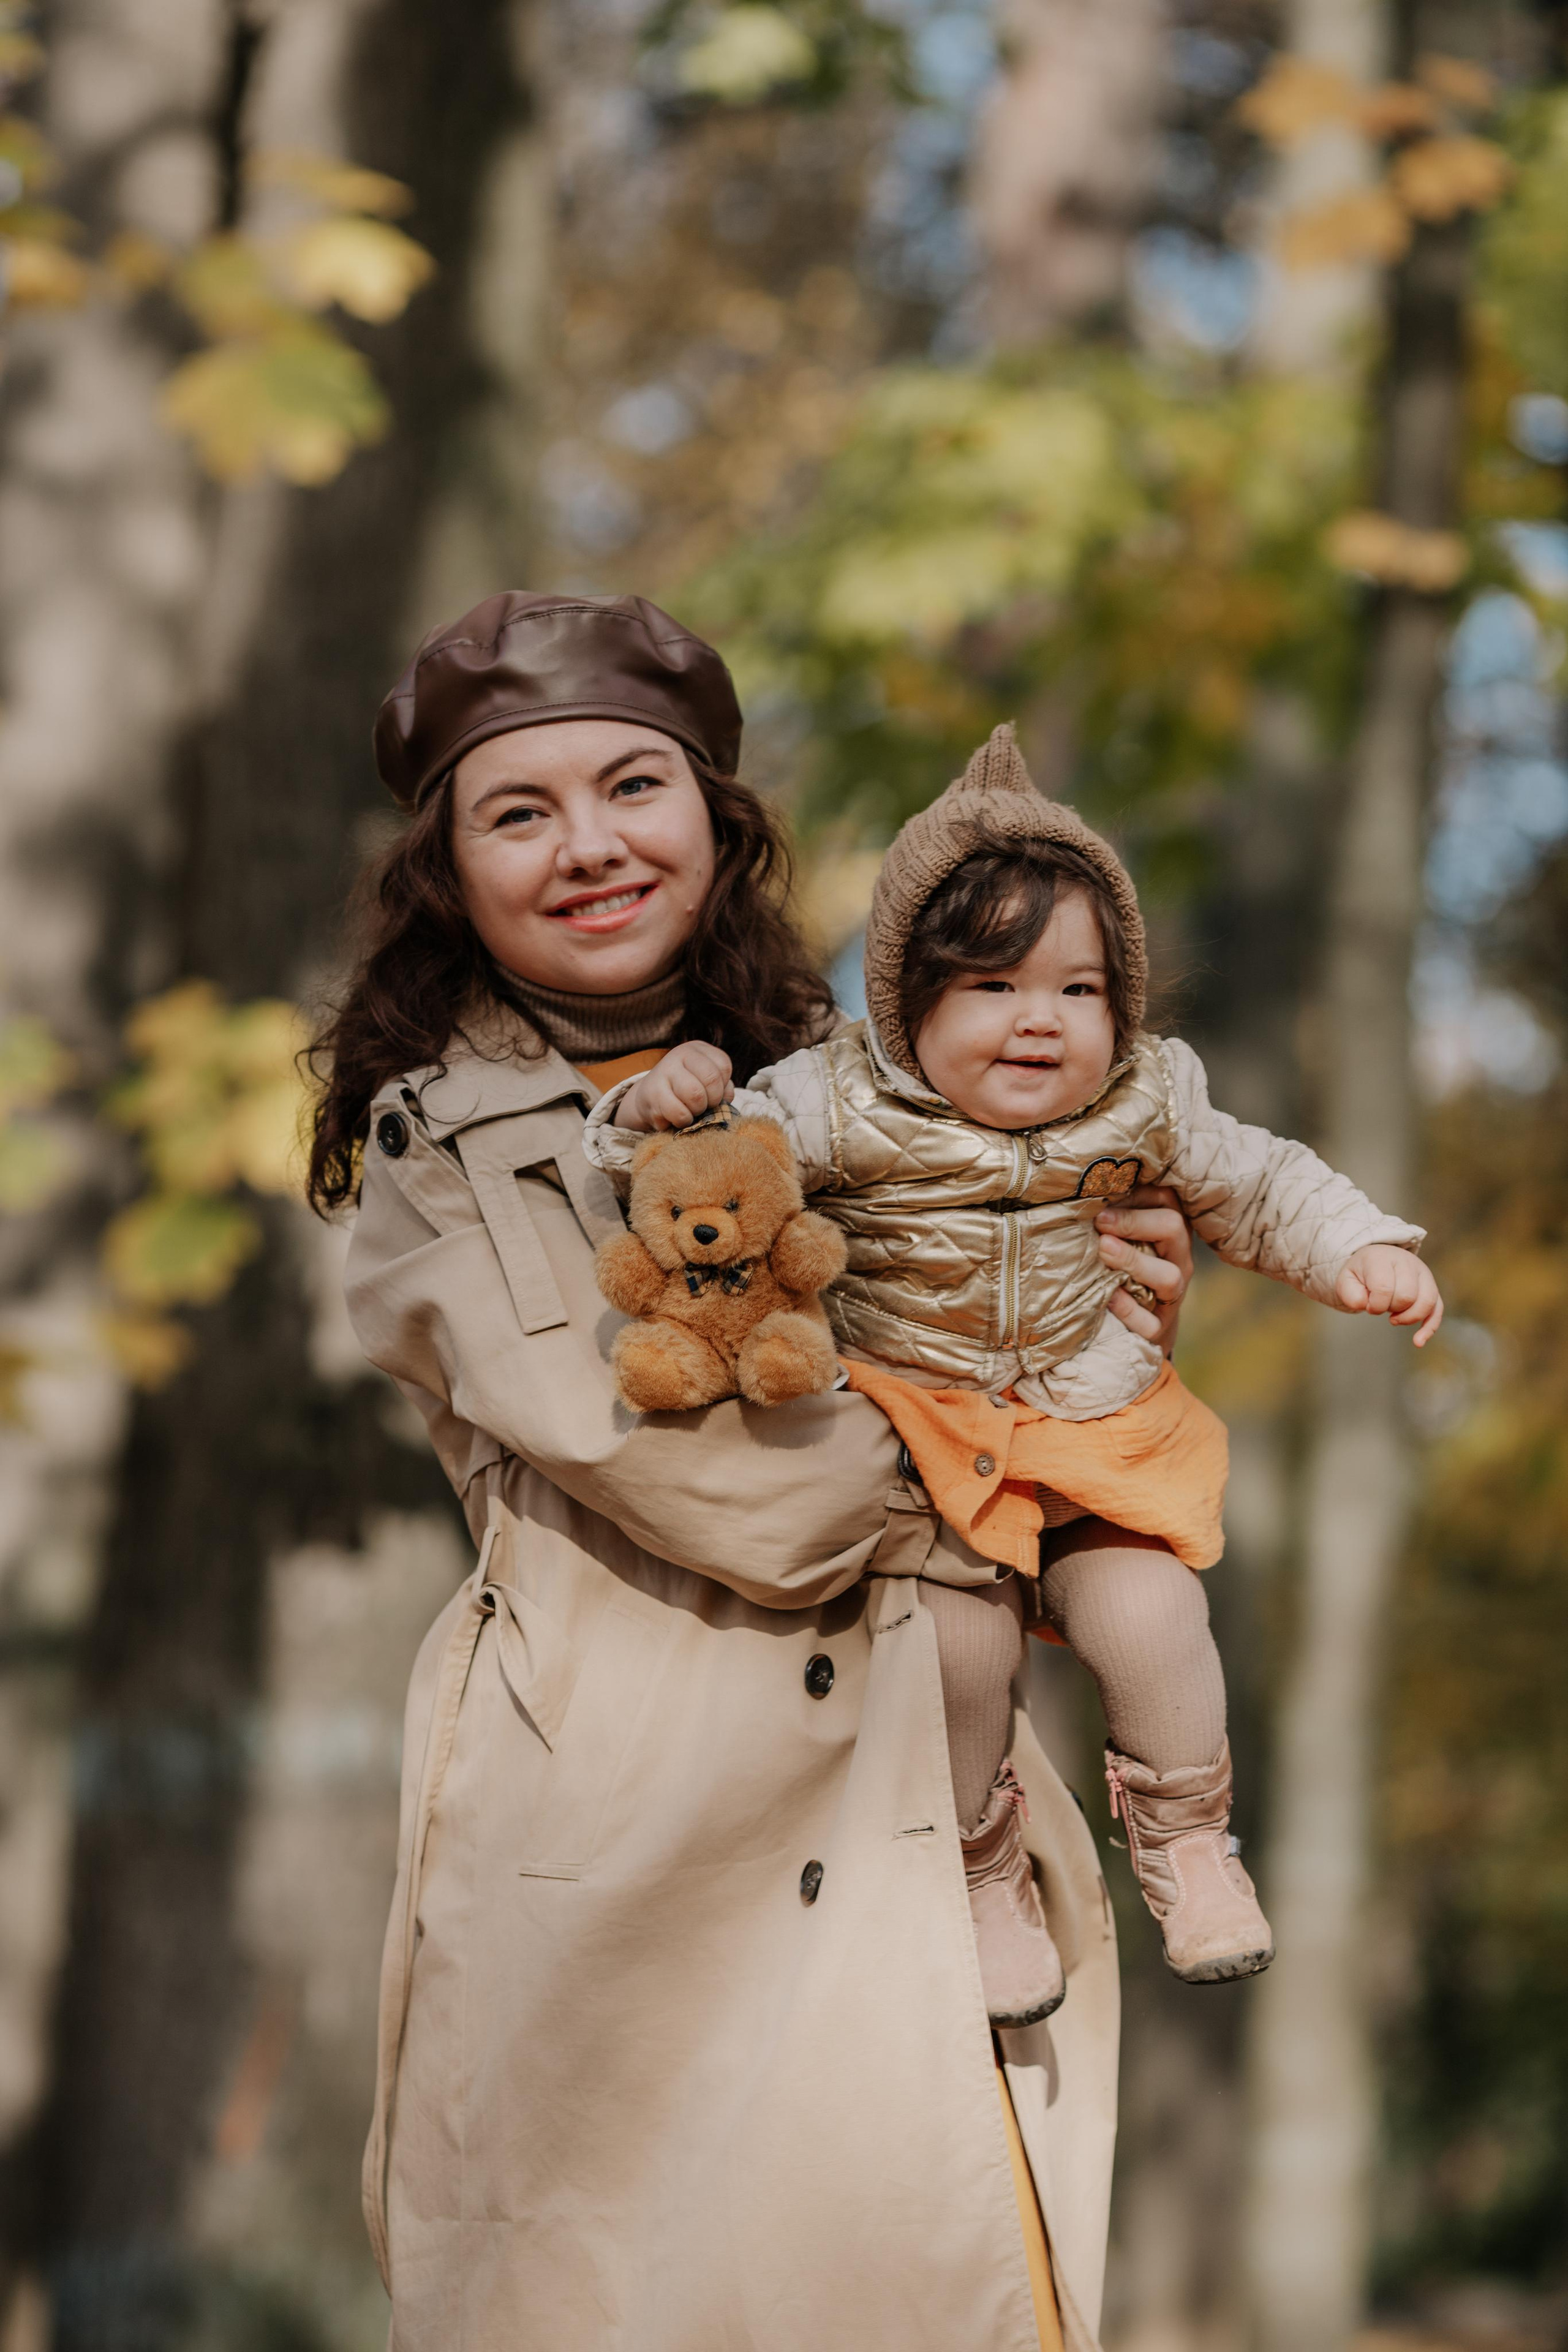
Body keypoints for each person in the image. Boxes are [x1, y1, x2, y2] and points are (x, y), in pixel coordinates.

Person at [312, 594, 1196, 2352]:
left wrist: (1126, 1314)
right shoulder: (447, 1141)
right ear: (450, 873)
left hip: (919, 1794)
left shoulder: (869, 1083)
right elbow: (748, 1498)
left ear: (716, 821)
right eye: (518, 813)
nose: (588, 850)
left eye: (633, 787)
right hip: (636, 1850)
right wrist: (1044, 1421)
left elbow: (1058, 1347)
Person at [590, 722, 1441, 2027]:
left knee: (1153, 1617)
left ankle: (1188, 1842)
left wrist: (1359, 1249)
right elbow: (705, 1180)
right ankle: (984, 1880)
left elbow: (1258, 1181)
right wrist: (654, 1111)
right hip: (923, 1436)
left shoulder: (1145, 1102)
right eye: (990, 989)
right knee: (961, 1651)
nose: (1038, 1021)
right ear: (902, 1003)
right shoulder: (835, 1102)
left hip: (1086, 1413)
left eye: (1079, 989)